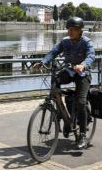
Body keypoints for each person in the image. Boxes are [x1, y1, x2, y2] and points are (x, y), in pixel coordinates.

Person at [34, 16, 95, 150]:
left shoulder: (86, 42)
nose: (70, 31)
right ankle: (63, 115)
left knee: (80, 102)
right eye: (68, 29)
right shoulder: (65, 42)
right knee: (55, 82)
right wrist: (43, 62)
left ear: (80, 30)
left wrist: (83, 65)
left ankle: (83, 135)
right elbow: (53, 52)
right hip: (69, 71)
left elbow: (91, 56)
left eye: (73, 29)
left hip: (83, 74)